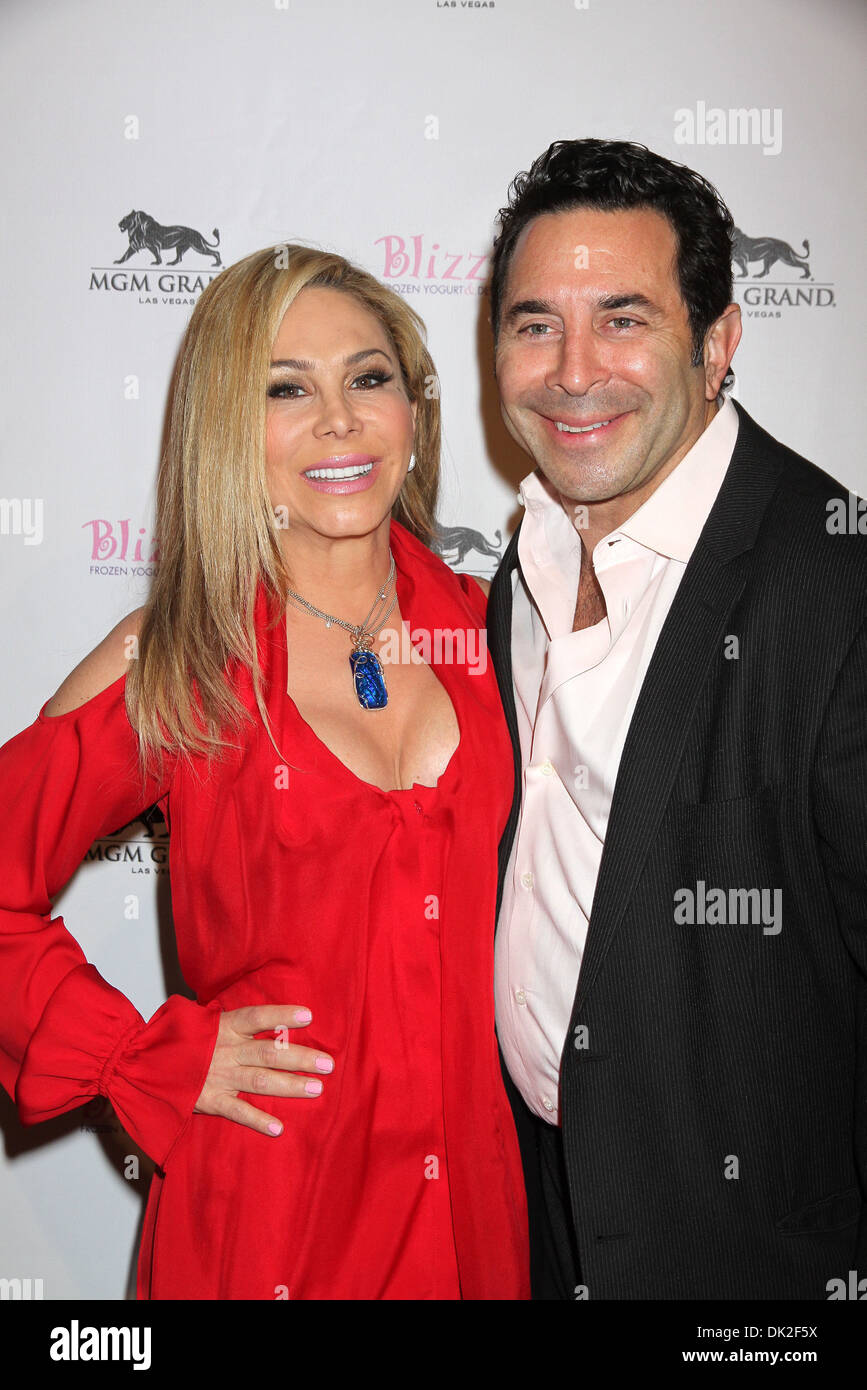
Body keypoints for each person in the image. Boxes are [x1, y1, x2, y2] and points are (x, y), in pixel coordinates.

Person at [0, 244, 530, 1300]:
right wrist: (140, 1055)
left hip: (479, 1220)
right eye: (286, 389)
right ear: (226, 429)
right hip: (273, 1222)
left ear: (413, 411)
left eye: (368, 377)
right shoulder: (181, 660)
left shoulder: (503, 634)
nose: (339, 419)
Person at [485, 138, 867, 1299]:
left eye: (623, 319)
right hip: (544, 1224)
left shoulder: (836, 587)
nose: (573, 372)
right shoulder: (520, 571)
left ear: (717, 343)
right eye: (536, 324)